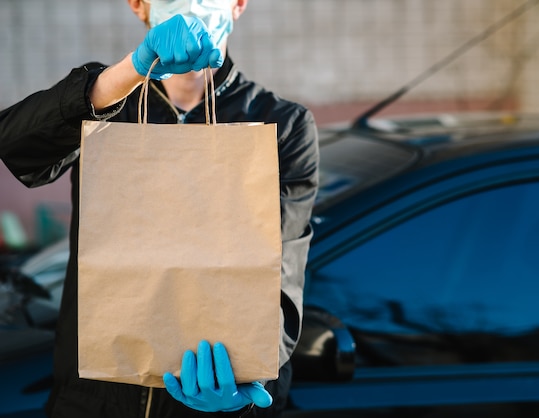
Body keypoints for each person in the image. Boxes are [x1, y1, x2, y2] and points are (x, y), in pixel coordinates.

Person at [0, 0, 319, 417]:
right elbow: (16, 145)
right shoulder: (111, 101)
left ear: (238, 4)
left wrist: (245, 386)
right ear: (139, 5)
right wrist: (131, 69)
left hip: (203, 403)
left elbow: (282, 273)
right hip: (93, 401)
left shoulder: (282, 125)